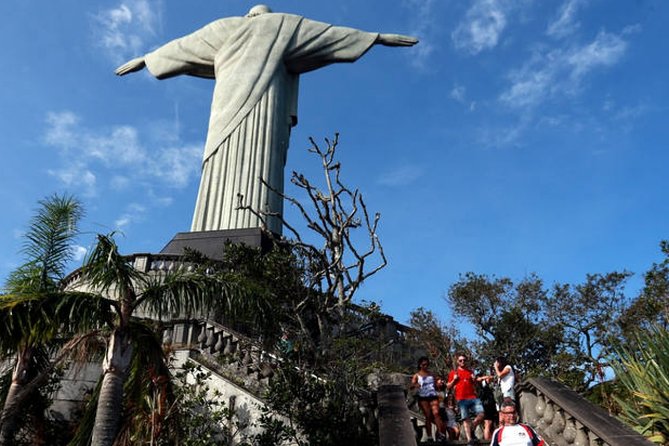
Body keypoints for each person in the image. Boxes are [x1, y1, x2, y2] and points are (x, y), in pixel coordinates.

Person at [116, 5, 417, 235]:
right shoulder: (284, 24)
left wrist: (148, 58)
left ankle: (219, 228)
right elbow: (329, 35)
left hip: (234, 107)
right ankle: (247, 226)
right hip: (256, 108)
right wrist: (375, 38)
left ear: (248, 16)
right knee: (253, 160)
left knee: (234, 159)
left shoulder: (225, 27)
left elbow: (183, 46)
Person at [447, 354, 486, 445]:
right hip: (461, 398)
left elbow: (475, 385)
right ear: (457, 362)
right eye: (460, 360)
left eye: (464, 360)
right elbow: (448, 386)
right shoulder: (454, 372)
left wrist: (474, 380)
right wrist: (454, 380)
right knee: (465, 418)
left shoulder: (470, 372)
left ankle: (472, 428)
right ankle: (469, 440)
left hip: (473, 397)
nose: (462, 362)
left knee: (481, 414)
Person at [411, 357, 446, 442]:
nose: (425, 366)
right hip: (423, 397)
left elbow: (436, 385)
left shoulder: (432, 374)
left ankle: (440, 433)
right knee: (428, 416)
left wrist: (439, 385)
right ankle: (429, 436)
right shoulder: (417, 375)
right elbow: (411, 386)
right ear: (420, 365)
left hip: (432, 395)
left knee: (436, 413)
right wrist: (416, 385)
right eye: (423, 364)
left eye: (427, 364)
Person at [479, 376, 498, 441]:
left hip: (490, 407)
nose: (488, 379)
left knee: (490, 424)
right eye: (487, 379)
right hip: (487, 407)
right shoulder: (483, 385)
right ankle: (487, 440)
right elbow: (491, 377)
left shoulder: (487, 387)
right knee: (488, 423)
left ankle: (489, 439)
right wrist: (484, 378)